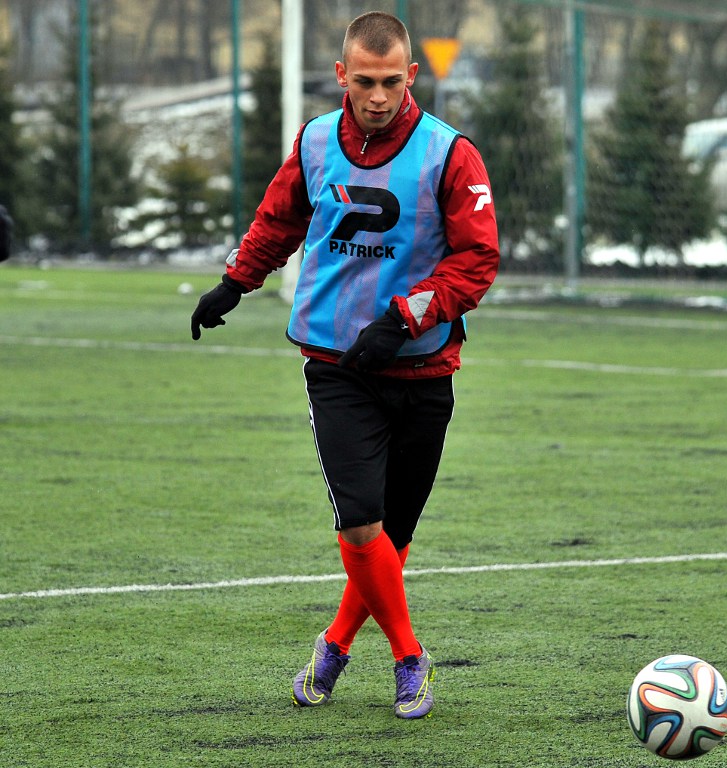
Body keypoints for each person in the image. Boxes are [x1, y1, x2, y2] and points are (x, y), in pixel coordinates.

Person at [190, 11, 499, 719]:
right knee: (360, 525)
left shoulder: (451, 154)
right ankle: (410, 659)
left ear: (411, 75)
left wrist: (404, 319)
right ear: (341, 76)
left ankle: (334, 643)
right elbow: (278, 220)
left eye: (391, 82)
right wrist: (235, 283)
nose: (379, 96)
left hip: (423, 369)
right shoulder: (315, 141)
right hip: (337, 365)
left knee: (392, 539)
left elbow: (477, 259)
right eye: (365, 81)